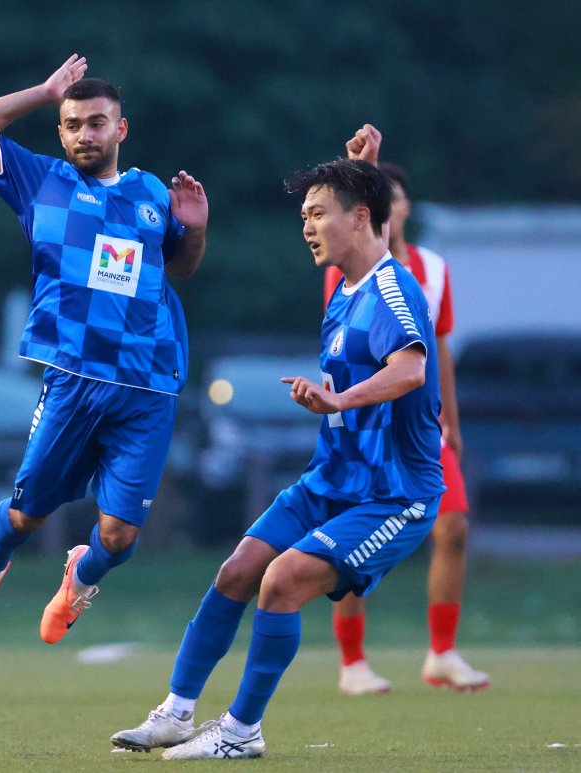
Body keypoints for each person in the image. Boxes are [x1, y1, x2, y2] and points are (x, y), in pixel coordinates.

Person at [111, 141, 444, 760]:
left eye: (318, 214)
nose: (308, 227)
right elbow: (371, 213)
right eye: (304, 217)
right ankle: (176, 713)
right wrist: (364, 168)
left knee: (283, 581)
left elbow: (410, 372)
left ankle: (241, 733)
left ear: (360, 218)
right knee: (238, 570)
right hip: (331, 479)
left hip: (394, 494)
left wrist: (340, 402)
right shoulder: (343, 286)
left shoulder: (394, 294)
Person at [0, 55, 208, 644]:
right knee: (26, 514)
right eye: (72, 124)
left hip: (149, 384)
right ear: (59, 131)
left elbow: (181, 267)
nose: (84, 134)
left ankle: (79, 578)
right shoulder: (40, 181)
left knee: (117, 538)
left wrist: (195, 225)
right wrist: (43, 92)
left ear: (121, 129)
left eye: (96, 122)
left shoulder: (149, 193)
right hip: (74, 377)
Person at [326, 128, 489, 696]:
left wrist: (455, 422)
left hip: (426, 426)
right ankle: (352, 662)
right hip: (368, 425)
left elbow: (438, 347)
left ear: (402, 206)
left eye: (391, 194)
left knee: (455, 526)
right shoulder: (346, 268)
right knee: (351, 536)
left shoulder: (434, 269)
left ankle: (441, 653)